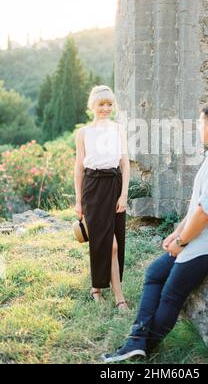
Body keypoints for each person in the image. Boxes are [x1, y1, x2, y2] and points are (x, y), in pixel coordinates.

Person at [101, 101, 208, 362]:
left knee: (171, 295)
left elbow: (206, 213)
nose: (199, 129)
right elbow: (196, 206)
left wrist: (181, 241)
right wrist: (176, 233)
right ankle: (138, 340)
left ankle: (139, 347)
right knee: (155, 273)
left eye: (200, 124)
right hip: (199, 238)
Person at [74, 85, 130, 311]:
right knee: (108, 244)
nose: (105, 108)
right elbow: (78, 167)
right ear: (92, 106)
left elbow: (125, 164)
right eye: (101, 104)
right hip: (93, 188)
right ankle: (119, 298)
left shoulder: (118, 130)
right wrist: (78, 200)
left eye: (109, 104)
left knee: (116, 243)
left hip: (115, 187)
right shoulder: (84, 133)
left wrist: (124, 194)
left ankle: (97, 288)